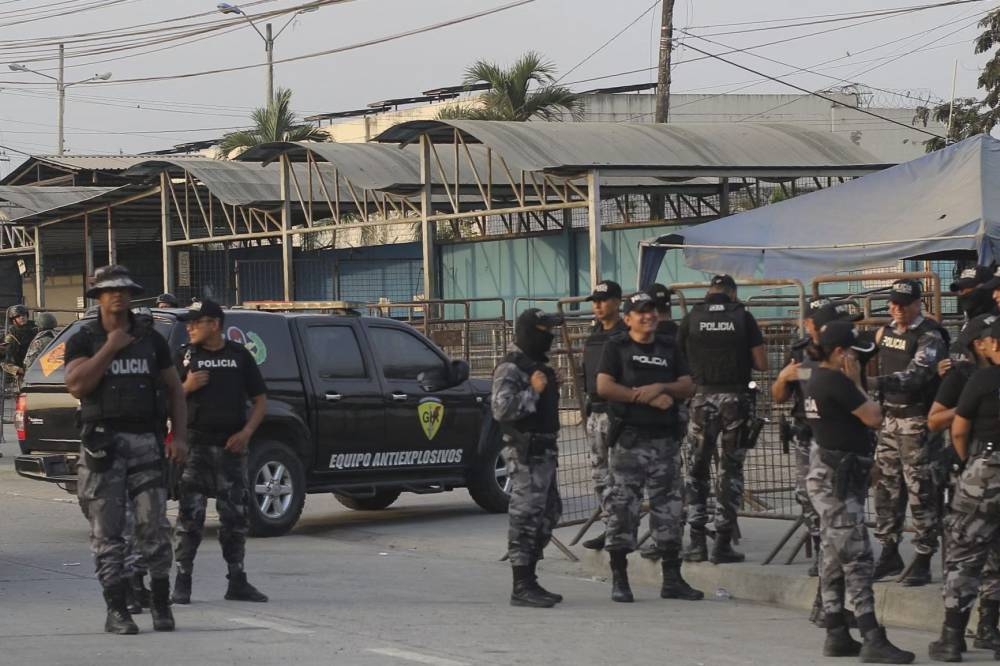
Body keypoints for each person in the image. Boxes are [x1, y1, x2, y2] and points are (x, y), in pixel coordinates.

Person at [63, 265, 188, 635]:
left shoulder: (151, 340)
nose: (118, 296)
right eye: (110, 290)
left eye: (124, 290)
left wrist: (179, 436)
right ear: (98, 297)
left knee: (154, 525)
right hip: (103, 445)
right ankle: (117, 610)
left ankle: (161, 602)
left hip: (146, 443)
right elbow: (76, 385)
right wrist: (110, 348)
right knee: (108, 531)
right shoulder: (84, 338)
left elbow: (175, 390)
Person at [804, 320, 914, 663]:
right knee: (857, 557)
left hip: (835, 473)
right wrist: (857, 384)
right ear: (839, 353)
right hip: (836, 480)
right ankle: (871, 635)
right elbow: (874, 417)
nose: (856, 358)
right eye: (852, 351)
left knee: (834, 555)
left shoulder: (815, 377)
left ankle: (836, 630)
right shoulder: (837, 381)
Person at [596, 291, 701, 603]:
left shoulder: (669, 346)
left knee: (669, 510)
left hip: (665, 442)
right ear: (628, 318)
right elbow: (604, 386)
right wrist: (643, 396)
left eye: (652, 311)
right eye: (641, 312)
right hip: (630, 441)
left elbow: (688, 384)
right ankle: (620, 578)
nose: (648, 316)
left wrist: (662, 387)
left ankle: (672, 579)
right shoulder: (617, 346)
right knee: (622, 511)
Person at [171, 299, 268, 605]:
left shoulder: (239, 356)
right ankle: (182, 581)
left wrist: (247, 433)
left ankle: (237, 580)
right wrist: (186, 387)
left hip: (230, 448)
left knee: (234, 516)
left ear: (214, 324)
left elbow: (260, 400)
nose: (189, 328)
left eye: (195, 323)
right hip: (196, 448)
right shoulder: (184, 357)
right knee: (190, 518)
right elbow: (166, 398)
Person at [678, 274, 767, 564]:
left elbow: (679, 358)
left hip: (701, 401)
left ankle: (696, 541)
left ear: (709, 291)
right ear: (732, 293)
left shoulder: (692, 318)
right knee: (730, 472)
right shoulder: (744, 317)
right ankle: (723, 543)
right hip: (735, 401)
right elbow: (761, 363)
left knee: (697, 472)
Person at [773, 299, 863, 583]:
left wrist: (807, 373)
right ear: (810, 325)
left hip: (838, 432)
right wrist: (784, 376)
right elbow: (779, 395)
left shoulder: (846, 350)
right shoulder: (799, 351)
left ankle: (837, 553)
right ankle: (822, 545)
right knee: (806, 493)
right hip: (806, 430)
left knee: (839, 497)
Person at [927, 313, 1000, 652]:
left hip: (985, 471)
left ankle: (953, 637)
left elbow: (957, 429)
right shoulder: (967, 376)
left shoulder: (984, 380)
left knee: (965, 555)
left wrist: (967, 462)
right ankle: (989, 629)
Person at [871, 279, 949, 587]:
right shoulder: (886, 332)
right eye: (893, 303)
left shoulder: (929, 336)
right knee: (885, 489)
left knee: (921, 492)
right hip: (890, 421)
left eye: (903, 303)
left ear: (918, 304)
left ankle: (924, 555)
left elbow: (917, 376)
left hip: (916, 422)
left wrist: (874, 383)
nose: (897, 308)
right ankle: (889, 550)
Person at [491, 308, 565, 608]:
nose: (549, 337)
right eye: (543, 331)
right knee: (525, 517)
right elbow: (501, 409)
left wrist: (547, 384)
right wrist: (534, 391)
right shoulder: (510, 368)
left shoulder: (536, 366)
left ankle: (531, 577)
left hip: (544, 451)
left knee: (549, 513)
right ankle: (521, 584)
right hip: (524, 454)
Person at [580, 280, 627, 552]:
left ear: (618, 302)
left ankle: (622, 530)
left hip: (618, 413)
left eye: (603, 300)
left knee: (622, 474)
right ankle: (611, 526)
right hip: (595, 411)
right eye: (595, 301)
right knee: (600, 475)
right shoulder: (594, 333)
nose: (597, 306)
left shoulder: (626, 334)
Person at [2, 304, 38, 383]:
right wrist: (19, 370)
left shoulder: (36, 328)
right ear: (13, 319)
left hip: (38, 365)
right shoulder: (12, 335)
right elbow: (7, 360)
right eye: (18, 316)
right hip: (21, 369)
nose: (22, 317)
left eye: (24, 315)